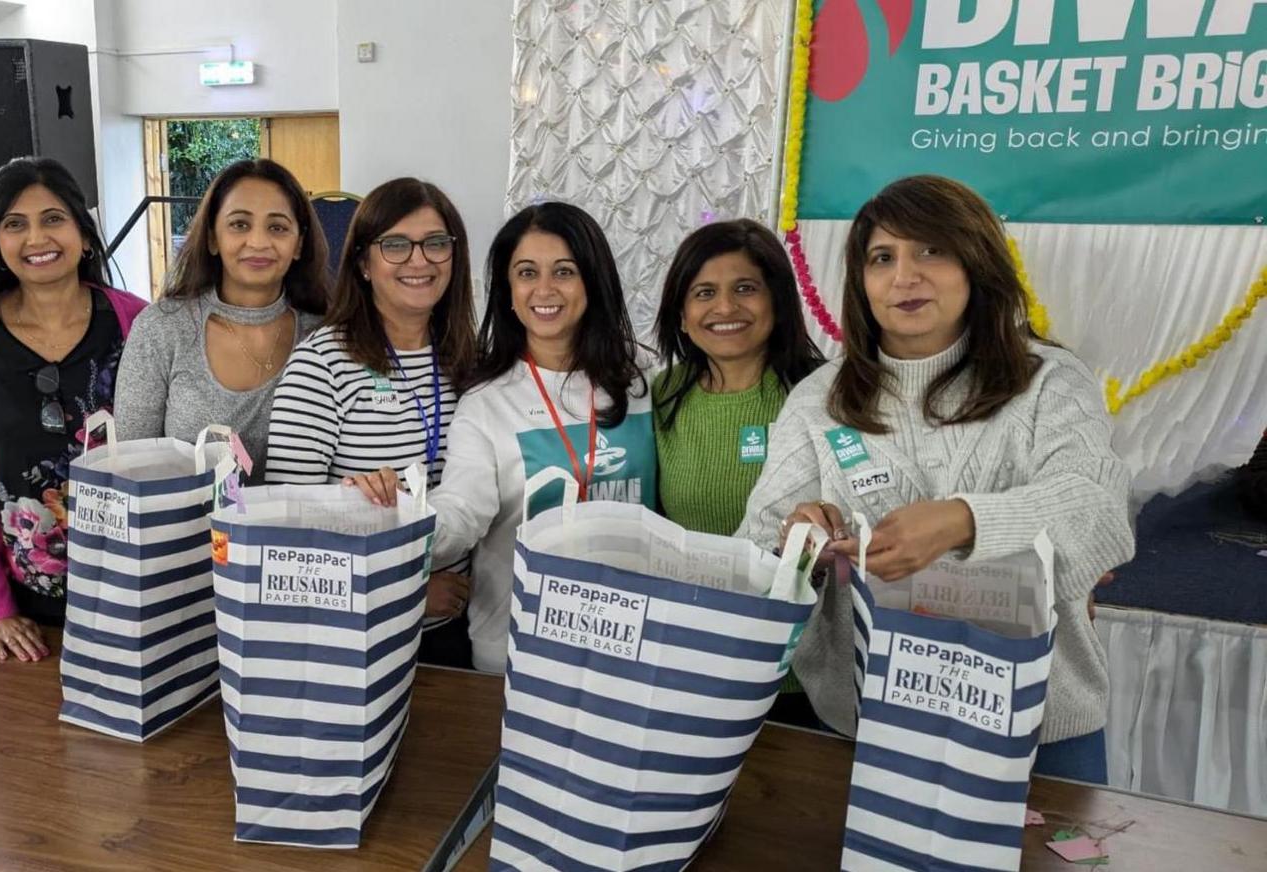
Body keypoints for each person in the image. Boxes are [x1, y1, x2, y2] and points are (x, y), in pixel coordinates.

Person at [741, 175, 1135, 782]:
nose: (905, 276)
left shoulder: (1051, 381)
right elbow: (757, 546)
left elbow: (1098, 512)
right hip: (866, 725)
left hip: (1036, 730)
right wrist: (802, 543)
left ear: (976, 263)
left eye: (931, 250)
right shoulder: (820, 399)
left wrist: (962, 521)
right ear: (862, 282)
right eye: (882, 257)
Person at [350, 201, 657, 673]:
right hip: (520, 651)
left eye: (565, 271)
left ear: (592, 281)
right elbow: (462, 511)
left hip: (631, 642)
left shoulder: (641, 381)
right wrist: (401, 516)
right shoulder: (487, 401)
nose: (545, 289)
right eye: (527, 273)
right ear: (509, 292)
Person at [0, 157, 147, 663]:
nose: (36, 238)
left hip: (137, 595)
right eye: (15, 224)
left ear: (84, 235)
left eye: (53, 218)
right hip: (31, 612)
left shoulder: (137, 323)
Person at [265, 177, 479, 667]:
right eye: (396, 245)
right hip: (358, 632)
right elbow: (290, 531)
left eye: (436, 243)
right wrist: (409, 593)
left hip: (456, 626)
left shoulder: (467, 359)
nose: (419, 261)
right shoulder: (320, 364)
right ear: (363, 263)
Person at [112, 159, 328, 481]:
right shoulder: (161, 328)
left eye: (278, 227)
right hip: (180, 529)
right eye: (240, 224)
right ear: (212, 237)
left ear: (298, 244)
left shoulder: (323, 337)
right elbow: (133, 467)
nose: (258, 242)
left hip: (293, 530)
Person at [652, 218, 824, 536]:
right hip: (684, 583)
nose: (726, 307)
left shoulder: (823, 391)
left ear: (777, 301)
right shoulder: (662, 392)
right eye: (704, 293)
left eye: (745, 289)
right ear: (682, 317)